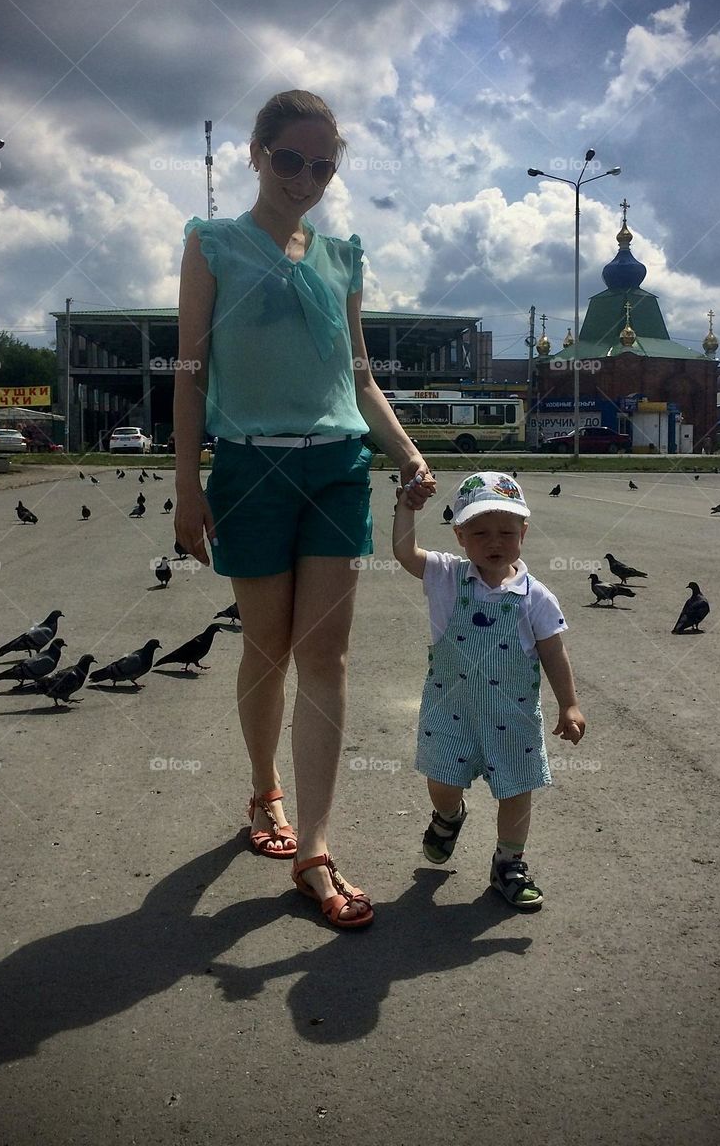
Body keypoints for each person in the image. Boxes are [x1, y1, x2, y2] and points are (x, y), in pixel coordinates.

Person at [173, 89, 436, 929]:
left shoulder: (340, 257)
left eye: (324, 165)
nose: (307, 178)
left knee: (327, 657)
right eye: (291, 159)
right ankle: (264, 793)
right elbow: (188, 372)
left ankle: (316, 849)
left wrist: (406, 451)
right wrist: (186, 485)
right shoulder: (212, 245)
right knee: (268, 648)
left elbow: (358, 375)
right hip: (247, 470)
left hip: (334, 469)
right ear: (254, 155)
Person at [392, 471, 586, 910]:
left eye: (506, 531)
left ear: (524, 532)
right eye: (479, 532)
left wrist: (569, 704)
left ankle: (509, 863)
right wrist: (406, 508)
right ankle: (448, 816)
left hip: (512, 719)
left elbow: (554, 652)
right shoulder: (446, 576)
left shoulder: (536, 596)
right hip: (449, 712)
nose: (493, 541)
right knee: (442, 782)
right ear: (460, 535)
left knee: (517, 791)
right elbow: (404, 552)